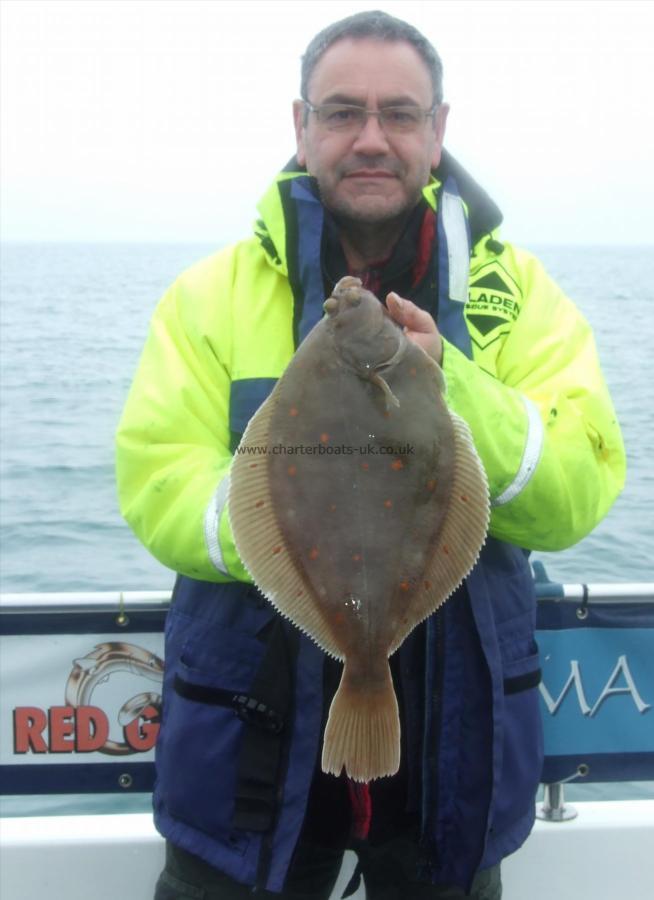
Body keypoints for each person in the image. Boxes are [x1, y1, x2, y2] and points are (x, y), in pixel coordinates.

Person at [116, 10, 625, 899]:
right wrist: (283, 528)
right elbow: (156, 481)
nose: (371, 138)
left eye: (400, 114)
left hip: (452, 767)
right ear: (300, 127)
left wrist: (449, 385)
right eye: (343, 112)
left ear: (439, 131)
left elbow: (579, 487)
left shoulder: (520, 298)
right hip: (246, 756)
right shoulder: (209, 296)